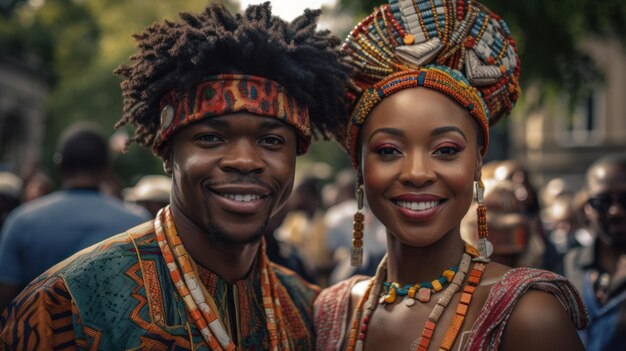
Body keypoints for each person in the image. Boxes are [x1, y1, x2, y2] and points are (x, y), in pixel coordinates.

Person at [0, 2, 349, 349]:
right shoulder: (67, 305)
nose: (244, 161)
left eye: (271, 140)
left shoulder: (309, 311)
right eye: (211, 137)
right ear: (168, 153)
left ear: (295, 155)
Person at [314, 1, 588, 350]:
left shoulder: (527, 315)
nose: (416, 173)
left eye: (445, 150)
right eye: (388, 151)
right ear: (359, 166)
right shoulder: (331, 312)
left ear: (476, 164)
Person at [0, 122, 150, 311]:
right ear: (106, 167)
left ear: (59, 165)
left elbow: (5, 298)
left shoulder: (22, 220)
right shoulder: (139, 224)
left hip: (38, 338)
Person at [564, 154, 626, 351]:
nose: (615, 211)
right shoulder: (570, 262)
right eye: (602, 201)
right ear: (587, 207)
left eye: (625, 199)